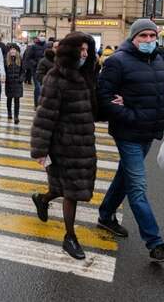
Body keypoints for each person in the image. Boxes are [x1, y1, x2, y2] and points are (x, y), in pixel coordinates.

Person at [97, 18, 164, 263]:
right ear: (133, 38)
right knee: (137, 186)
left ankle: (105, 215)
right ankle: (155, 243)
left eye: (152, 36)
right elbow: (103, 98)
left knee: (125, 176)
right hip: (128, 133)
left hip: (148, 133)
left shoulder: (157, 60)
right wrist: (131, 115)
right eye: (143, 36)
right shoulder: (117, 62)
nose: (148, 41)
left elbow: (163, 98)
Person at [30, 32, 98, 260]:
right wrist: (40, 150)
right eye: (82, 51)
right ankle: (70, 237)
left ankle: (42, 199)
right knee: (73, 192)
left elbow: (93, 110)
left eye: (88, 51)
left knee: (63, 188)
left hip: (84, 145)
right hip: (63, 145)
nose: (85, 55)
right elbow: (44, 116)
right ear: (70, 51)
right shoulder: (55, 78)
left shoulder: (85, 76)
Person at [24, 32, 48, 108]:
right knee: (38, 87)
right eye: (41, 36)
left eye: (44, 36)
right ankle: (37, 104)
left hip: (45, 70)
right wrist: (35, 63)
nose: (43, 37)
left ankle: (43, 104)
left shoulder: (47, 46)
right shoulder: (33, 47)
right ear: (38, 37)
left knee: (44, 87)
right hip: (36, 71)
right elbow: (28, 58)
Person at [4, 44, 25, 124]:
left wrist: (21, 79)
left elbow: (23, 71)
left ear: (16, 51)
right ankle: (9, 113)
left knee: (17, 100)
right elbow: (4, 71)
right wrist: (5, 78)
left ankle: (16, 116)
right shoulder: (6, 60)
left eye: (14, 49)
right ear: (9, 51)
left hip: (17, 84)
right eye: (11, 49)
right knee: (9, 99)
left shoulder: (20, 59)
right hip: (9, 83)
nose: (12, 51)